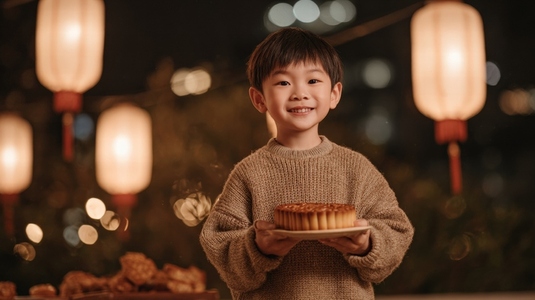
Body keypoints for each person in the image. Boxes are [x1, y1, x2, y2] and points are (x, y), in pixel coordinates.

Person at [200, 27, 414, 299]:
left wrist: (366, 244)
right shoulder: (249, 174)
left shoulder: (356, 169)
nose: (299, 93)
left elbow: (397, 229)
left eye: (313, 81)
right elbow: (219, 242)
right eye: (283, 83)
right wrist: (257, 248)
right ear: (259, 99)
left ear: (334, 94)